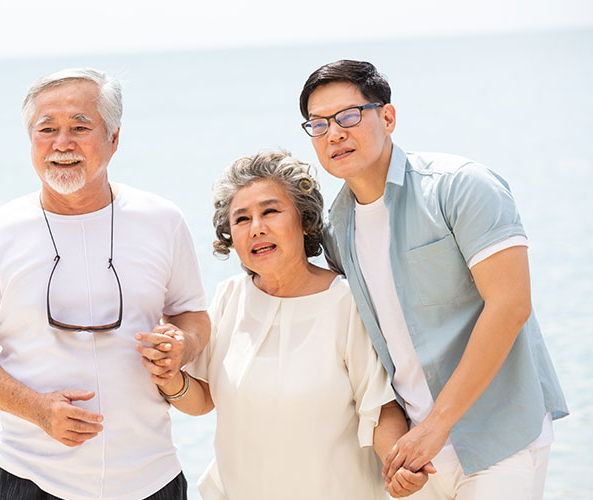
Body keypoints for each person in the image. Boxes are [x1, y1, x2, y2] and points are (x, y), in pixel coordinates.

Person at [0, 68, 210, 500]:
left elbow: (191, 315)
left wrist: (183, 345)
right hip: (29, 477)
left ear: (114, 139)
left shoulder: (162, 220)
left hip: (150, 476)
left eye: (80, 128)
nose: (62, 144)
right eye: (47, 130)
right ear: (31, 143)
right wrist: (37, 409)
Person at [298, 59, 568, 499]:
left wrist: (439, 424)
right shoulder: (336, 229)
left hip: (502, 437)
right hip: (417, 456)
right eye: (318, 124)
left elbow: (511, 304)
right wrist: (397, 449)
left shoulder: (460, 186)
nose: (334, 133)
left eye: (349, 116)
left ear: (387, 117)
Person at [137, 150, 434, 499]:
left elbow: (381, 408)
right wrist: (169, 377)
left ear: (304, 221)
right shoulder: (230, 296)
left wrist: (398, 467)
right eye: (242, 219)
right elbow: (203, 399)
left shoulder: (346, 301)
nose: (257, 228)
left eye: (271, 211)